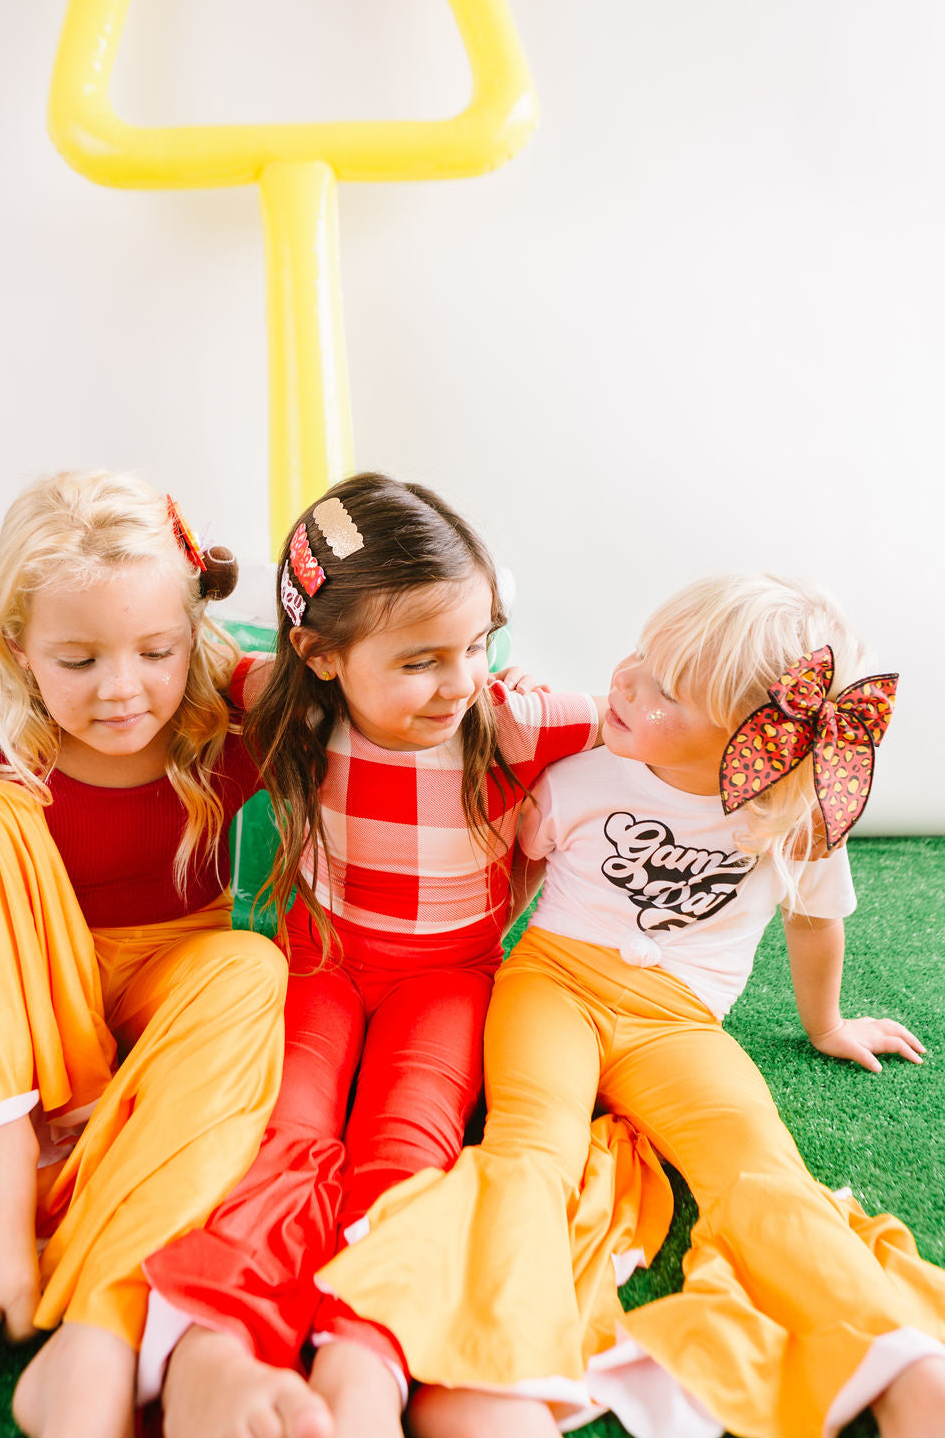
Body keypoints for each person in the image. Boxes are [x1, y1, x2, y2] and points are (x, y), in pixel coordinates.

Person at [320, 573, 945, 1438]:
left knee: (759, 1166)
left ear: (747, 743)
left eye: (665, 689)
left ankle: (899, 1359)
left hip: (677, 1022)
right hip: (550, 990)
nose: (624, 679)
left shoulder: (788, 818)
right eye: (641, 656)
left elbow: (815, 925)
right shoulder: (580, 774)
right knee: (533, 1147)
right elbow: (504, 862)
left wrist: (827, 1024)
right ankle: (503, 1360)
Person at [136, 472, 615, 1438]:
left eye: (479, 644)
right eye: (421, 660)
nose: (460, 681)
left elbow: (656, 721)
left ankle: (371, 1352)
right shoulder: (286, 702)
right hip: (319, 966)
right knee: (286, 1129)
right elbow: (196, 645)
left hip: (447, 983)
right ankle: (224, 1339)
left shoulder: (511, 722)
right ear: (317, 654)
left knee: (407, 1141)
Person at [0, 470, 289, 1438]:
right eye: (78, 659)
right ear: (21, 651)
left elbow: (360, 690)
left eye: (157, 651)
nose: (124, 690)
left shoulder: (227, 722)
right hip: (37, 1007)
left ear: (195, 636)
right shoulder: (3, 750)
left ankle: (104, 1291)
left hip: (166, 992)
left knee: (254, 967)